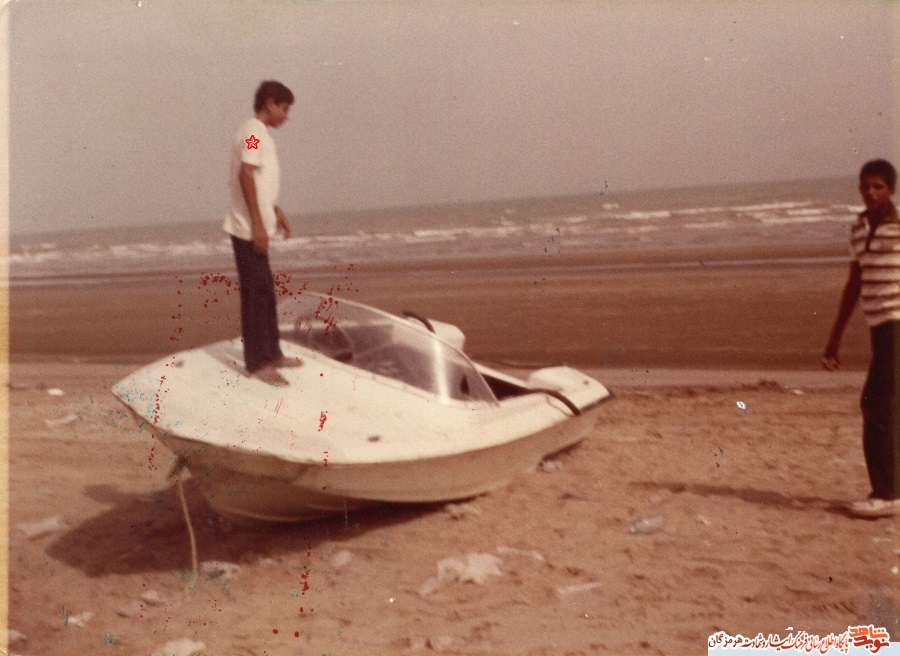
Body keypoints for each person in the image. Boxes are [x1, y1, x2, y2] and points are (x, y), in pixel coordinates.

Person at [823, 159, 900, 518]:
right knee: (885, 404)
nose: (870, 192)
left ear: (891, 190)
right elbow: (854, 283)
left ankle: (886, 493)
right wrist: (834, 338)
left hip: (897, 323)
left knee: (875, 403)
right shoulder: (857, 229)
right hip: (878, 327)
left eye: (878, 186)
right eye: (865, 186)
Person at [223, 80, 302, 386]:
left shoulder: (260, 134)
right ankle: (258, 363)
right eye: (285, 109)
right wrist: (257, 223)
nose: (287, 116)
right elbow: (246, 173)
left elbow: (259, 180)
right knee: (256, 296)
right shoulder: (253, 133)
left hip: (256, 225)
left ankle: (273, 354)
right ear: (270, 103)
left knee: (266, 292)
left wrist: (274, 210)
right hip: (246, 230)